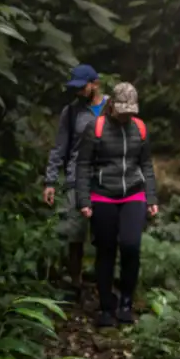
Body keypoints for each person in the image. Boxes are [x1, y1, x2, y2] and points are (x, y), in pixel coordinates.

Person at [75, 82, 159, 328]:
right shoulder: (96, 128)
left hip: (134, 192)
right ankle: (105, 307)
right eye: (122, 111)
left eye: (130, 112)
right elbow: (83, 165)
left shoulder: (140, 128)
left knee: (131, 246)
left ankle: (125, 302)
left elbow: (146, 165)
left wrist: (151, 197)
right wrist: (84, 199)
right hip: (103, 194)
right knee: (106, 249)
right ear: (111, 106)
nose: (126, 116)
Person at [44, 63, 109, 303]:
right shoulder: (70, 112)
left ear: (95, 84)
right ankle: (76, 283)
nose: (79, 92)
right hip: (75, 178)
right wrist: (50, 180)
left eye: (83, 87)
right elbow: (60, 146)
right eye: (76, 88)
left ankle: (104, 284)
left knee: (105, 234)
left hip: (105, 179)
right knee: (75, 233)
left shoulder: (112, 107)